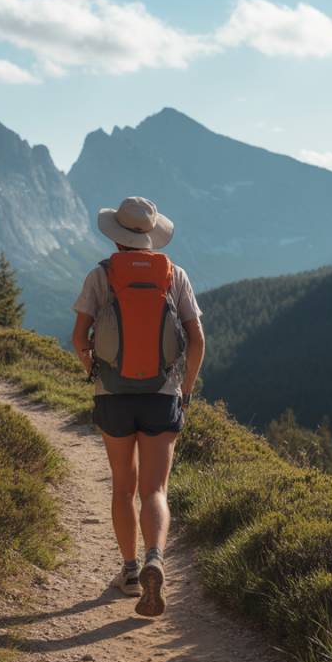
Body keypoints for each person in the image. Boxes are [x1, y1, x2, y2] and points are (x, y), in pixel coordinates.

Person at [71, 196, 205, 617]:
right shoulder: (174, 275)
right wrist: (184, 389)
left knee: (123, 488)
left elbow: (78, 337)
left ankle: (129, 573)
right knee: (155, 490)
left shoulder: (101, 275)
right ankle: (154, 559)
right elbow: (197, 340)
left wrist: (94, 370)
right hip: (162, 395)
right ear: (151, 235)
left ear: (116, 236)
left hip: (113, 395)